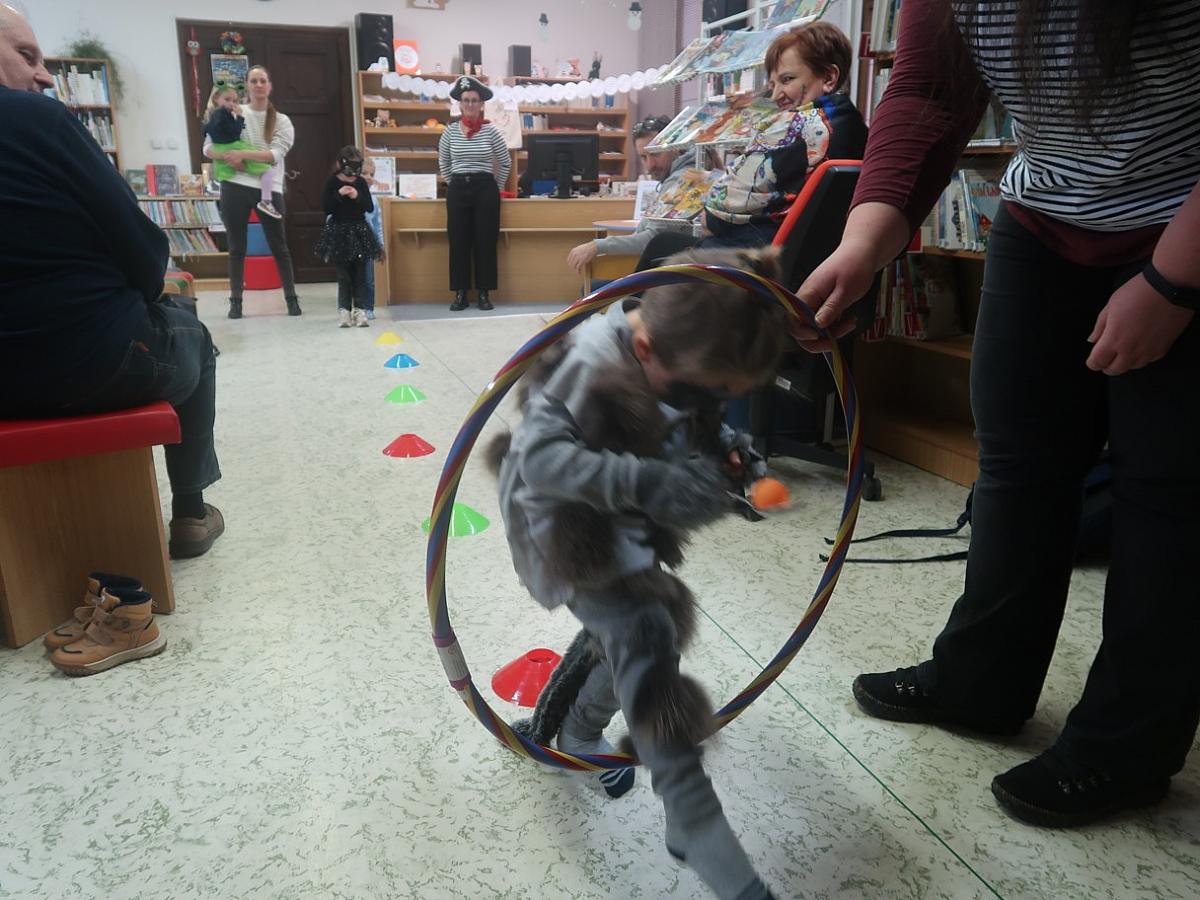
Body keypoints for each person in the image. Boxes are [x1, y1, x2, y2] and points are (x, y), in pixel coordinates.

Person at [795, 0, 1200, 828]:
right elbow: (930, 91)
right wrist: (866, 240)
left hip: (1180, 220)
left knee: (1169, 494)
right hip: (1043, 220)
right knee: (1016, 465)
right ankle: (982, 682)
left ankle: (1126, 748)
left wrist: (1173, 283)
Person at [495, 247, 787, 900]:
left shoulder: (673, 351)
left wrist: (730, 457)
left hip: (623, 522)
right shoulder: (588, 363)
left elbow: (693, 419)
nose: (705, 401)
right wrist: (658, 485)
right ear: (646, 348)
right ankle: (693, 817)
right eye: (697, 389)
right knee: (646, 640)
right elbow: (539, 460)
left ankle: (578, 730)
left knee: (632, 638)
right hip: (567, 532)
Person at [0, 7, 224, 566]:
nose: (45, 75)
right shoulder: (38, 118)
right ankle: (191, 511)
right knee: (192, 334)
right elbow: (143, 247)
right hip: (95, 361)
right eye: (26, 55)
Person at [637, 21, 868, 268]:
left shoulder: (795, 126)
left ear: (829, 77)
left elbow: (717, 212)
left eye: (787, 79)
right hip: (812, 263)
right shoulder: (859, 130)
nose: (776, 95)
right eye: (773, 85)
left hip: (757, 262)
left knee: (661, 245)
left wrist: (711, 215)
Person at [204, 64, 302, 320]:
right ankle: (236, 303)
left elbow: (275, 155)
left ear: (270, 86)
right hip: (234, 185)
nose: (258, 85)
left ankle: (291, 299)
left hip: (269, 188)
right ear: (247, 86)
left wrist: (243, 155)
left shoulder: (282, 121)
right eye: (254, 80)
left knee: (279, 246)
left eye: (262, 81)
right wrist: (228, 157)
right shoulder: (233, 110)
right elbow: (208, 147)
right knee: (237, 247)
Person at [564, 115, 690, 276]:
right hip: (661, 270)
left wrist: (597, 246)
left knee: (594, 286)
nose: (649, 165)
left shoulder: (684, 179)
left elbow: (655, 238)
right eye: (643, 157)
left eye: (655, 154)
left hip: (668, 276)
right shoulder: (675, 177)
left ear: (676, 147)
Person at [438, 75, 511, 312]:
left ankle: (483, 293)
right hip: (458, 188)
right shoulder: (449, 132)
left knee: (485, 241)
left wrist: (496, 187)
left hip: (485, 189)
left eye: (474, 100)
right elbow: (443, 162)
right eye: (466, 100)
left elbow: (506, 162)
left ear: (481, 104)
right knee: (458, 241)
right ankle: (460, 293)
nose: (470, 104)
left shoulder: (491, 131)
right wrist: (454, 183)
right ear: (460, 104)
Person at [316, 145, 381, 328]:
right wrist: (339, 194)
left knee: (360, 274)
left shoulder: (360, 183)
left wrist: (357, 195)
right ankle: (344, 310)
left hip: (359, 232)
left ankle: (360, 310)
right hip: (339, 232)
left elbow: (369, 206)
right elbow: (326, 207)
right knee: (343, 275)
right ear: (341, 165)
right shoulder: (332, 182)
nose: (353, 174)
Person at [202, 84, 280, 221]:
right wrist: (229, 157)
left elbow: (277, 151)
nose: (232, 103)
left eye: (235, 101)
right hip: (236, 179)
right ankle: (266, 201)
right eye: (228, 100)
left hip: (252, 178)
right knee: (267, 171)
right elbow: (208, 148)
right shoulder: (224, 114)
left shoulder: (217, 115)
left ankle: (266, 200)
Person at [360, 156, 387, 320]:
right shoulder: (349, 196)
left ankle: (368, 307)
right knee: (352, 278)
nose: (368, 177)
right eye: (364, 173)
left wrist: (380, 245)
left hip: (368, 244)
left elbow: (377, 225)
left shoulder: (374, 201)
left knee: (369, 278)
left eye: (371, 174)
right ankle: (351, 308)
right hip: (351, 242)